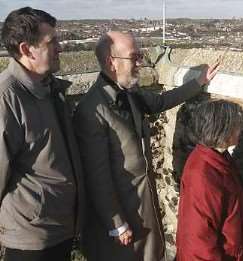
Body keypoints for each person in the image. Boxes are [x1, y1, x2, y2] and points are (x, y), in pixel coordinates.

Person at [74, 31, 219, 261]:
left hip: (142, 204)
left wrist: (199, 82)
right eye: (134, 57)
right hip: (122, 213)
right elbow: (97, 176)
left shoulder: (129, 92)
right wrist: (117, 224)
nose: (140, 63)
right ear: (112, 62)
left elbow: (161, 102)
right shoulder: (92, 110)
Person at [0, 7, 85, 261]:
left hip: (61, 226)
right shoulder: (7, 97)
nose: (60, 47)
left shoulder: (49, 87)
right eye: (52, 42)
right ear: (26, 50)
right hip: (30, 237)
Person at [176, 100, 243, 261]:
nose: (242, 128)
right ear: (223, 129)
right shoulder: (202, 175)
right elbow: (197, 239)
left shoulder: (218, 158)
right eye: (237, 124)